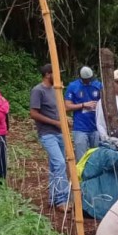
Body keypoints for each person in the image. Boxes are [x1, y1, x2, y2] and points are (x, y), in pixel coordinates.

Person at [30, 63, 70, 210]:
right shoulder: (38, 90)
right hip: (47, 133)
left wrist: (64, 121)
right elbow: (33, 113)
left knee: (56, 166)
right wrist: (55, 122)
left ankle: (53, 198)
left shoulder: (55, 90)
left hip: (59, 133)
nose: (59, 77)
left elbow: (59, 109)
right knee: (59, 163)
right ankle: (61, 200)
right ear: (48, 74)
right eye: (56, 73)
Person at [64, 66, 101, 160]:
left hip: (97, 127)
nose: (88, 81)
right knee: (81, 158)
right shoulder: (73, 86)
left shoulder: (98, 85)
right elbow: (67, 106)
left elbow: (107, 103)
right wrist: (83, 105)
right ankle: (80, 174)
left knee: (96, 156)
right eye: (86, 80)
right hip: (80, 127)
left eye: (90, 79)